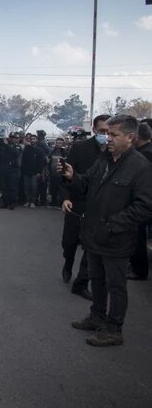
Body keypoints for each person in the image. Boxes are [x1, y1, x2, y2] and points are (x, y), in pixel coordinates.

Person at [61, 115, 152, 347]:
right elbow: (86, 184)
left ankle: (113, 329)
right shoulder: (104, 159)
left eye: (114, 135)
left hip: (116, 238)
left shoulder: (140, 167)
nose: (107, 138)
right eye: (107, 134)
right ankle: (97, 316)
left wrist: (113, 224)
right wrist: (72, 178)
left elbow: (144, 207)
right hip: (94, 234)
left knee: (116, 285)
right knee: (97, 280)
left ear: (131, 137)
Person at [60, 115, 110, 300]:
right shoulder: (80, 148)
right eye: (102, 131)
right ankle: (68, 264)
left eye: (109, 131)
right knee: (70, 241)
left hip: (98, 206)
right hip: (77, 201)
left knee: (90, 245)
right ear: (94, 130)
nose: (106, 135)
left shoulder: (115, 151)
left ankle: (81, 281)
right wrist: (65, 198)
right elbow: (67, 175)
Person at [127, 122, 152, 280]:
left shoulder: (145, 154)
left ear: (136, 136)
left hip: (143, 200)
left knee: (138, 236)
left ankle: (139, 269)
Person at [0, 132, 23, 210]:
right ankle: (5, 202)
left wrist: (7, 145)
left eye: (15, 138)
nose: (13, 139)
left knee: (13, 187)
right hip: (5, 168)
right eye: (11, 137)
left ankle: (13, 202)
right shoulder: (5, 146)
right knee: (4, 186)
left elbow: (15, 153)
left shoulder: (17, 147)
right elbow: (0, 154)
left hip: (13, 169)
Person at [21, 135, 45, 208]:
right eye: (31, 139)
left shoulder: (39, 150)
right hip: (26, 172)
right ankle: (28, 201)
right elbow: (23, 161)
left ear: (36, 140)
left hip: (35, 173)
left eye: (34, 139)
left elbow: (41, 163)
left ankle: (33, 201)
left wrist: (39, 172)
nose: (32, 140)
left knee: (34, 188)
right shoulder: (26, 149)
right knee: (26, 187)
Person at [48, 137, 67, 208]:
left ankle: (60, 203)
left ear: (62, 144)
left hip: (61, 174)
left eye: (59, 143)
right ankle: (53, 202)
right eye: (57, 143)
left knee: (61, 189)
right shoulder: (52, 151)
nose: (58, 144)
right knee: (53, 188)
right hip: (53, 173)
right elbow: (49, 161)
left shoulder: (64, 152)